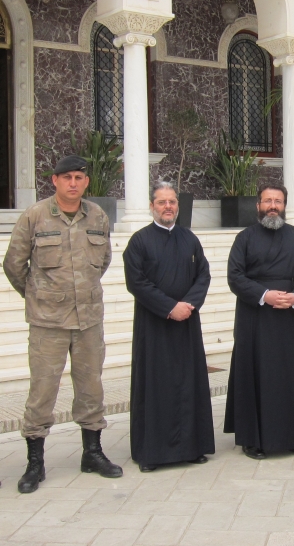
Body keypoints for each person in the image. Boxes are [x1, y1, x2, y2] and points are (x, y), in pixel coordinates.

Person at [2, 155, 123, 494]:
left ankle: (92, 453)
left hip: (88, 320)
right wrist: (38, 295)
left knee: (91, 387)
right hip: (48, 322)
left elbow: (103, 260)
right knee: (42, 392)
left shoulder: (97, 216)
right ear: (54, 181)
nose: (73, 183)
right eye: (66, 177)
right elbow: (13, 264)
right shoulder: (35, 216)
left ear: (86, 182)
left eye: (78, 178)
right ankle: (35, 462)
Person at [122, 182, 214, 472]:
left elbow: (203, 275)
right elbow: (136, 282)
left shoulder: (189, 238)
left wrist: (188, 304)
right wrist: (169, 307)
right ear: (152, 206)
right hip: (154, 325)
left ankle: (192, 448)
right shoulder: (139, 241)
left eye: (172, 202)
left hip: (187, 323)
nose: (168, 207)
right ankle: (153, 453)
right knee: (155, 386)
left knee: (189, 384)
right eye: (162, 202)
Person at [224, 180, 294, 459]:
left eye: (278, 201)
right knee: (254, 376)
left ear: (285, 205)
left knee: (290, 376)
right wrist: (264, 295)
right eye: (268, 201)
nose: (273, 206)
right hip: (255, 318)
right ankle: (253, 440)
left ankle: (293, 437)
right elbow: (235, 276)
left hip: (290, 318)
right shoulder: (244, 238)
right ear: (258, 205)